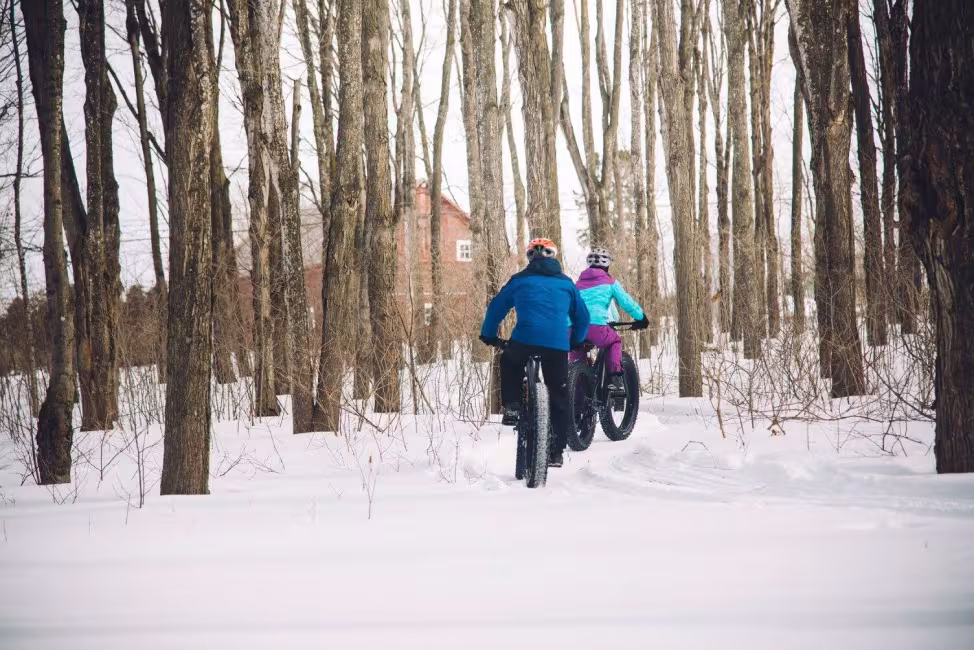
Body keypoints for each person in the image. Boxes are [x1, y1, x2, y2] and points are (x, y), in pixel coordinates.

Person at [479, 238, 590, 468]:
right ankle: (556, 452)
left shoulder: (519, 280)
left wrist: (488, 334)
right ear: (553, 257)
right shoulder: (567, 283)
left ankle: (511, 405)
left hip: (525, 341)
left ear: (530, 257)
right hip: (557, 346)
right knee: (558, 394)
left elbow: (496, 307)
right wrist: (577, 341)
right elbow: (583, 317)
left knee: (508, 359)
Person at [569, 247, 649, 389]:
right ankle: (614, 377)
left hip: (573, 329)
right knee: (614, 341)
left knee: (577, 358)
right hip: (597, 327)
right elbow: (626, 302)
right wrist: (641, 317)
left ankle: (576, 397)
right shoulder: (610, 282)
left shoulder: (577, 285)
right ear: (607, 265)